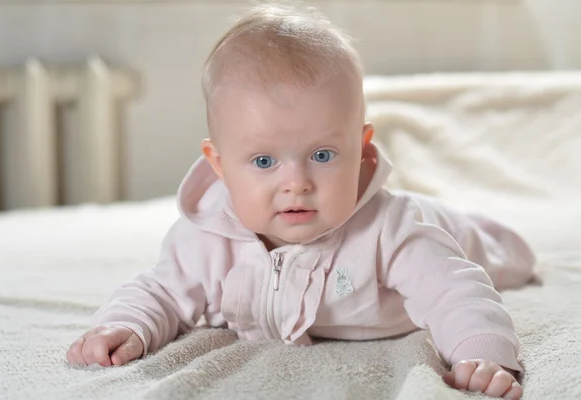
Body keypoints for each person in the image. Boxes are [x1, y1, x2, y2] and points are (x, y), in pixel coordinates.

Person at [67, 4, 535, 399]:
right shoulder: (206, 238)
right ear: (220, 164)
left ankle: (502, 235)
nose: (297, 183)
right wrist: (124, 326)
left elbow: (454, 290)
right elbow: (161, 291)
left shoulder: (391, 230)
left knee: (503, 256)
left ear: (362, 150)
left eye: (323, 155)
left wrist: (483, 352)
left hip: (446, 232)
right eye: (264, 160)